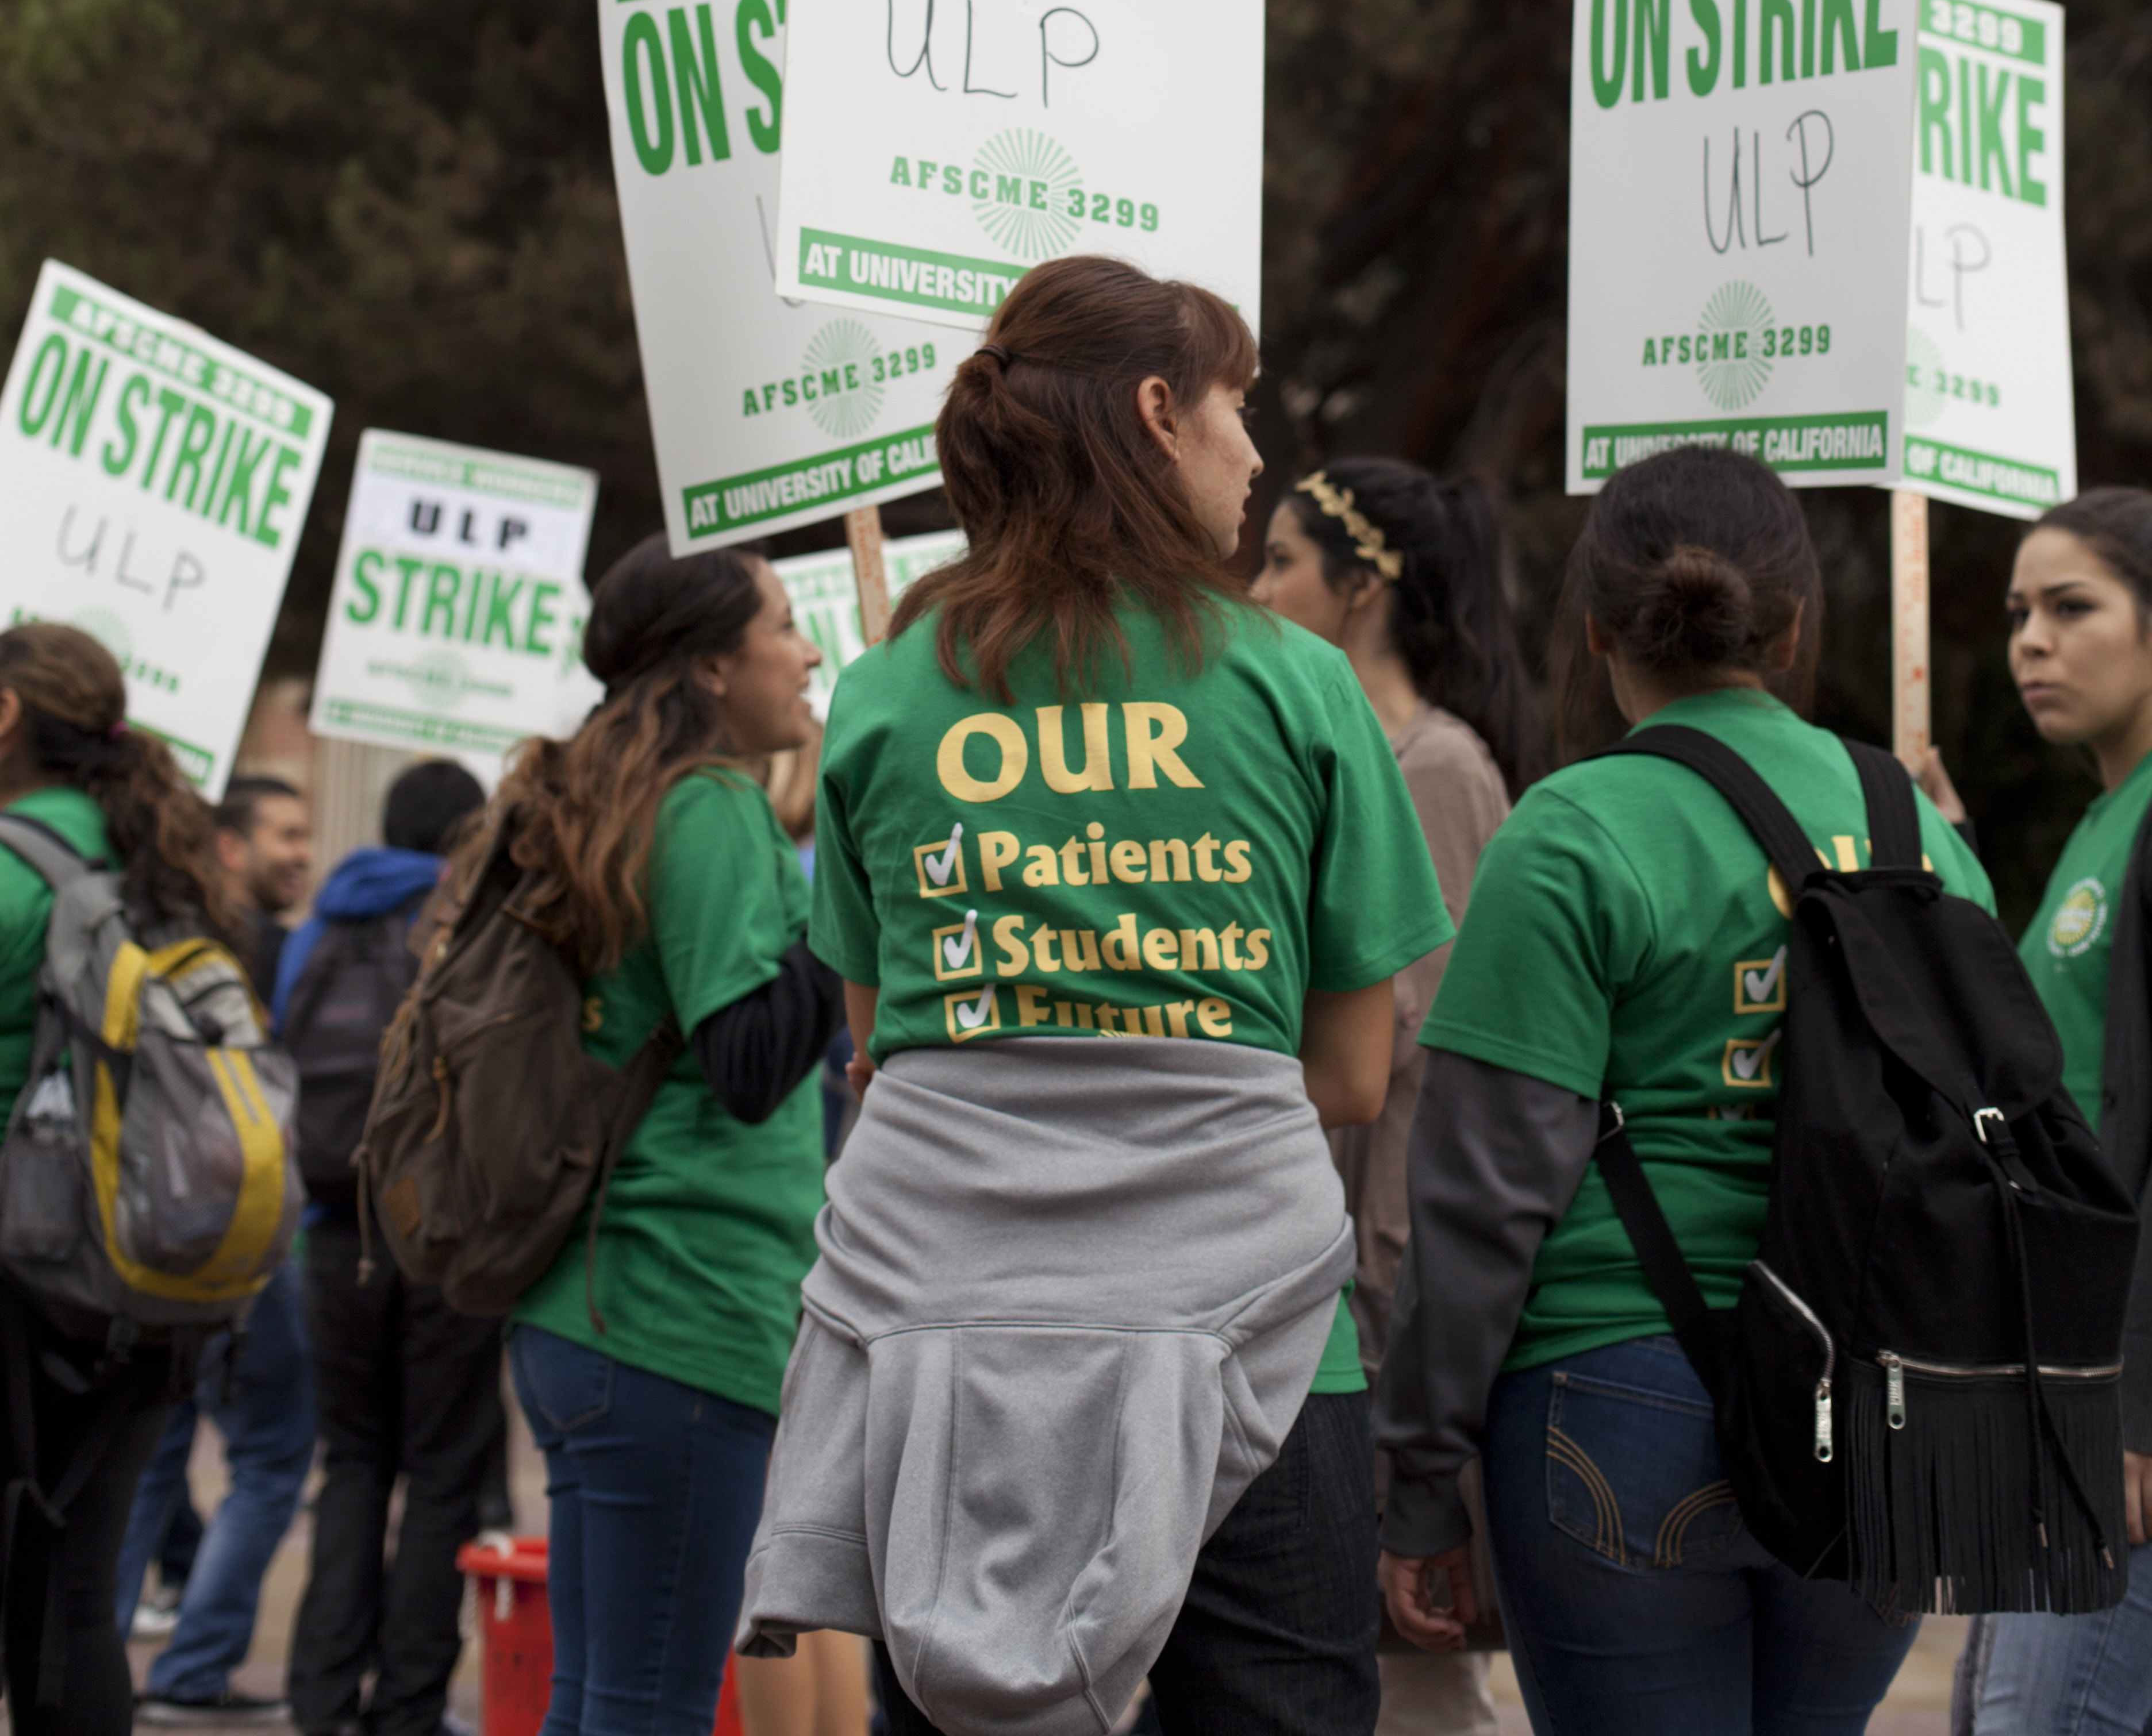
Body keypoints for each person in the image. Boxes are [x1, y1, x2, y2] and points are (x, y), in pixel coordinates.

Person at [741, 253, 1455, 1736]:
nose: (1255, 451)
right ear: (1153, 411)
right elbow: (1349, 1078)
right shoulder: (1297, 684)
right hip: (1254, 1342)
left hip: (954, 1340)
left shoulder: (884, 690)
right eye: (1235, 406)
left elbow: (883, 1048)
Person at [1375, 444, 1994, 1736]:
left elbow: (1484, 1202)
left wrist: (1422, 1476)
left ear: (1594, 622)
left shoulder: (1575, 828)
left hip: (1625, 1388)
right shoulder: (1919, 833)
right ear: (1797, 621)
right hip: (1883, 1403)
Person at [499, 538, 839, 1736]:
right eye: (788, 626)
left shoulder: (618, 792)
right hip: (678, 1315)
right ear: (708, 667)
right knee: (650, 1708)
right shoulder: (709, 803)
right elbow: (747, 1063)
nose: (811, 652)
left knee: (601, 1699)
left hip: (588, 1316)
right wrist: (860, 892)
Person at [1253, 461, 1540, 1736]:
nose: (1254, 590)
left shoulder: (1432, 767)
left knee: (1417, 1684)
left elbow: (1386, 1045)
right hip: (1310, 1260)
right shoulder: (1324, 751)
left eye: (1280, 563)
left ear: (1361, 588)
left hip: (1382, 1274)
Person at [0, 622, 244, 1736]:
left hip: (19, 1280)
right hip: (146, 1278)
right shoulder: (162, 863)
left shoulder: (11, 871)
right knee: (75, 1605)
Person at [1955, 488, 2152, 1733]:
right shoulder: (2103, 818)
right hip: (2051, 1394)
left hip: (2110, 1412)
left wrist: (2131, 1403)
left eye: (2073, 607)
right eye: (2021, 611)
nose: (2031, 639)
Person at [278, 758, 491, 1736]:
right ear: (464, 833)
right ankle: (408, 1707)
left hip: (333, 1232)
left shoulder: (320, 923)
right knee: (444, 1472)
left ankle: (319, 1702)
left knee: (354, 1462)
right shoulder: (467, 921)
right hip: (441, 1239)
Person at [117, 769, 320, 1721]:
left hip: (145, 1234)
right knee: (274, 1451)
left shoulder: (133, 937)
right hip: (243, 1236)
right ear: (226, 846)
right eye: (284, 832)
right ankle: (193, 1670)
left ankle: (96, 1663)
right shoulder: (254, 954)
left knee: (151, 1455)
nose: (301, 852)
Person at [216, 769, 314, 1003]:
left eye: (306, 838)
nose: (305, 855)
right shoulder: (279, 952)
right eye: (289, 837)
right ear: (231, 849)